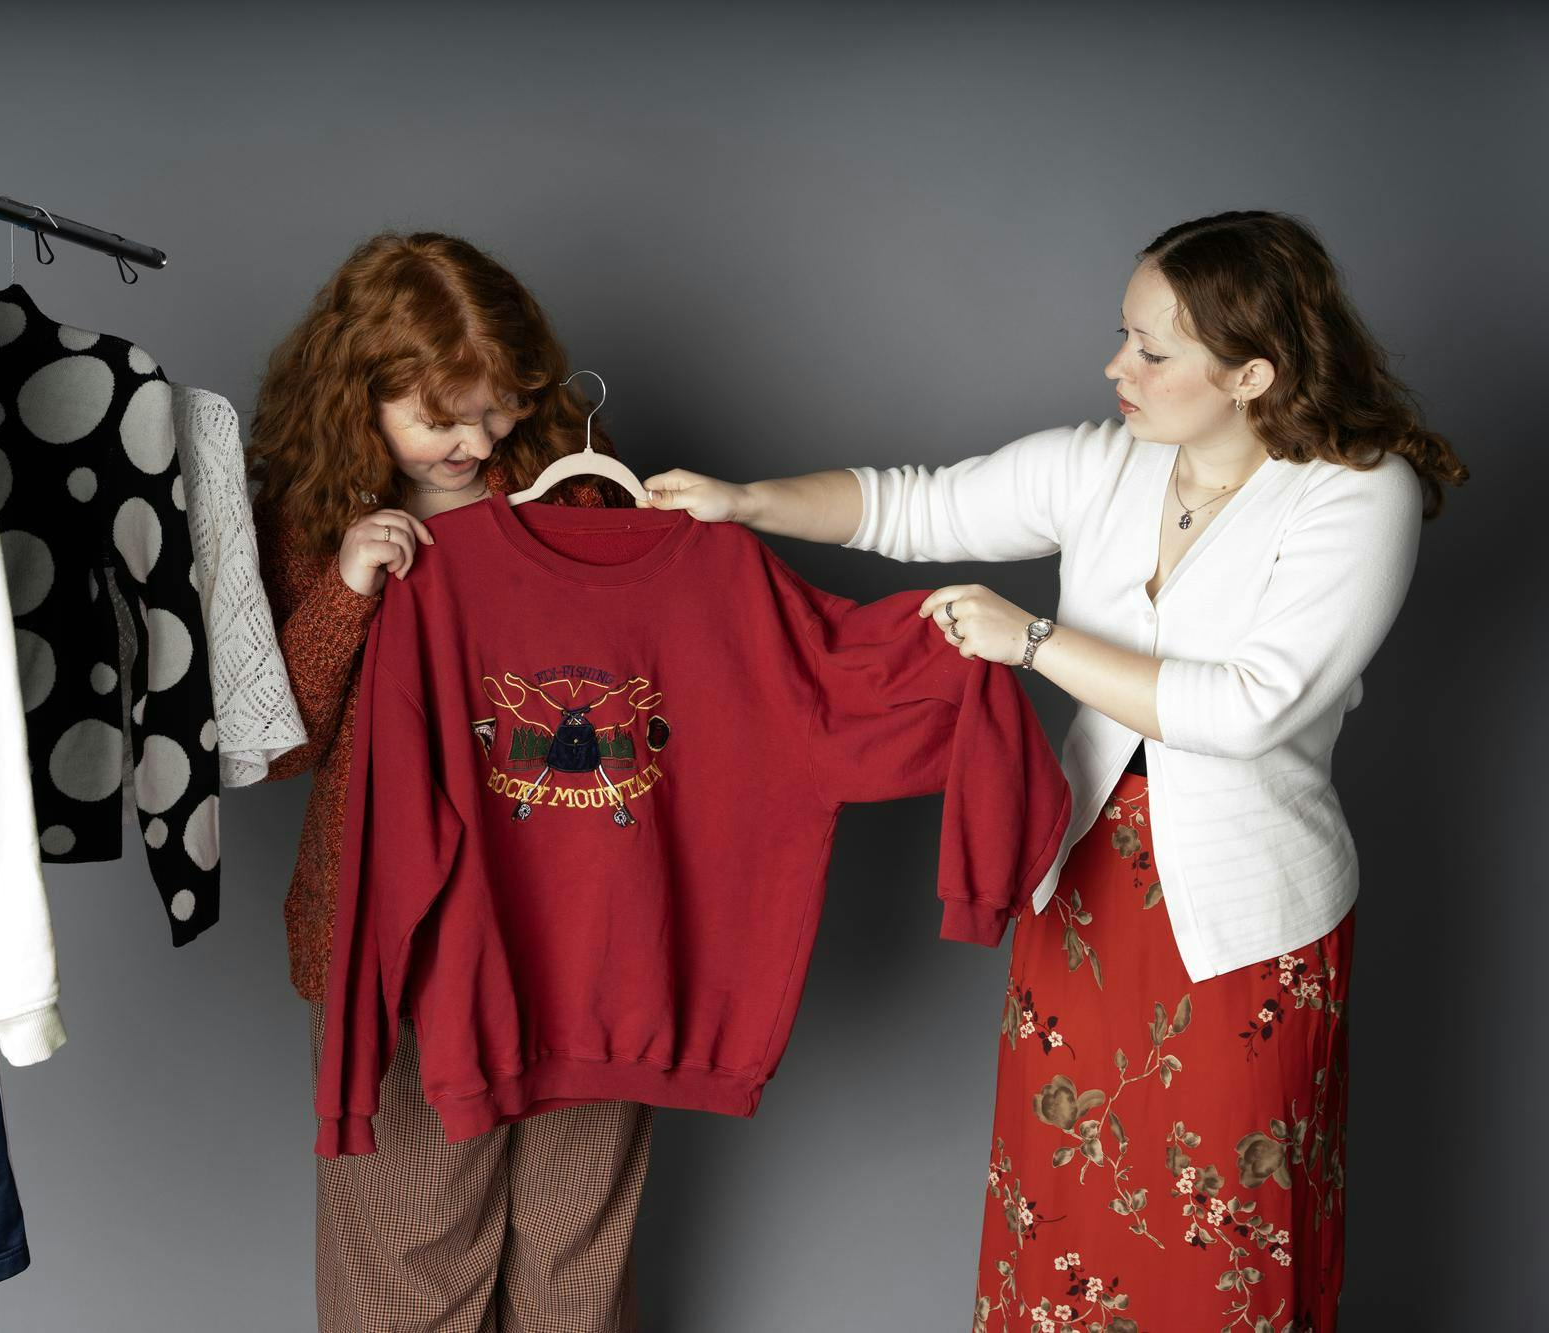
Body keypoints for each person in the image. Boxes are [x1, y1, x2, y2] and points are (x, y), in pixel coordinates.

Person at [643, 210, 1466, 1333]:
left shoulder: (1353, 494)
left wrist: (1031, 641)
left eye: (1151, 351)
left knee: (1224, 1218)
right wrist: (745, 502)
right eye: (1121, 334)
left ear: (1251, 373)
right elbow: (909, 501)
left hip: (1244, 920)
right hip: (1078, 891)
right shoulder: (1104, 465)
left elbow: (1249, 708)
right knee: (1065, 1203)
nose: (1114, 366)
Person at [249, 232, 647, 1332]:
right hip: (400, 935)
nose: (475, 440)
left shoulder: (581, 488)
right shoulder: (307, 515)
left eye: (500, 408)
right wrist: (343, 589)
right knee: (410, 1250)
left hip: (575, 916)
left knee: (578, 1251)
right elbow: (276, 740)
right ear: (359, 399)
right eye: (441, 417)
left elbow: (655, 692)